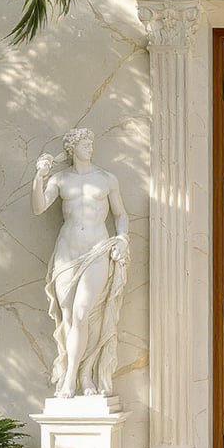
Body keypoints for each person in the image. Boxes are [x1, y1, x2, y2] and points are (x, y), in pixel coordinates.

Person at [33, 128, 129, 398]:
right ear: (72, 148)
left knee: (83, 313)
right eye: (85, 143)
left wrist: (122, 238)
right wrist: (39, 177)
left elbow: (121, 214)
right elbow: (39, 207)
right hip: (66, 251)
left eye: (91, 142)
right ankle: (76, 375)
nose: (90, 147)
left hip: (97, 249)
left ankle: (76, 378)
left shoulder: (107, 179)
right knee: (67, 316)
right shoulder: (60, 179)